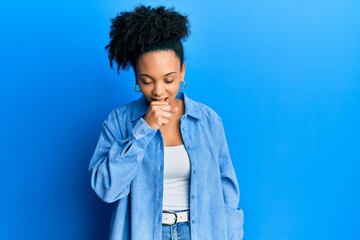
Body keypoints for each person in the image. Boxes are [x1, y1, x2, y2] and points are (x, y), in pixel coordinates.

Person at [89, 5, 244, 240]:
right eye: (147, 81)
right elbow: (106, 188)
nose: (159, 91)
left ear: (182, 72)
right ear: (136, 78)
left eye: (169, 79)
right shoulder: (119, 121)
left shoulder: (207, 120)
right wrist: (144, 128)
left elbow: (227, 193)